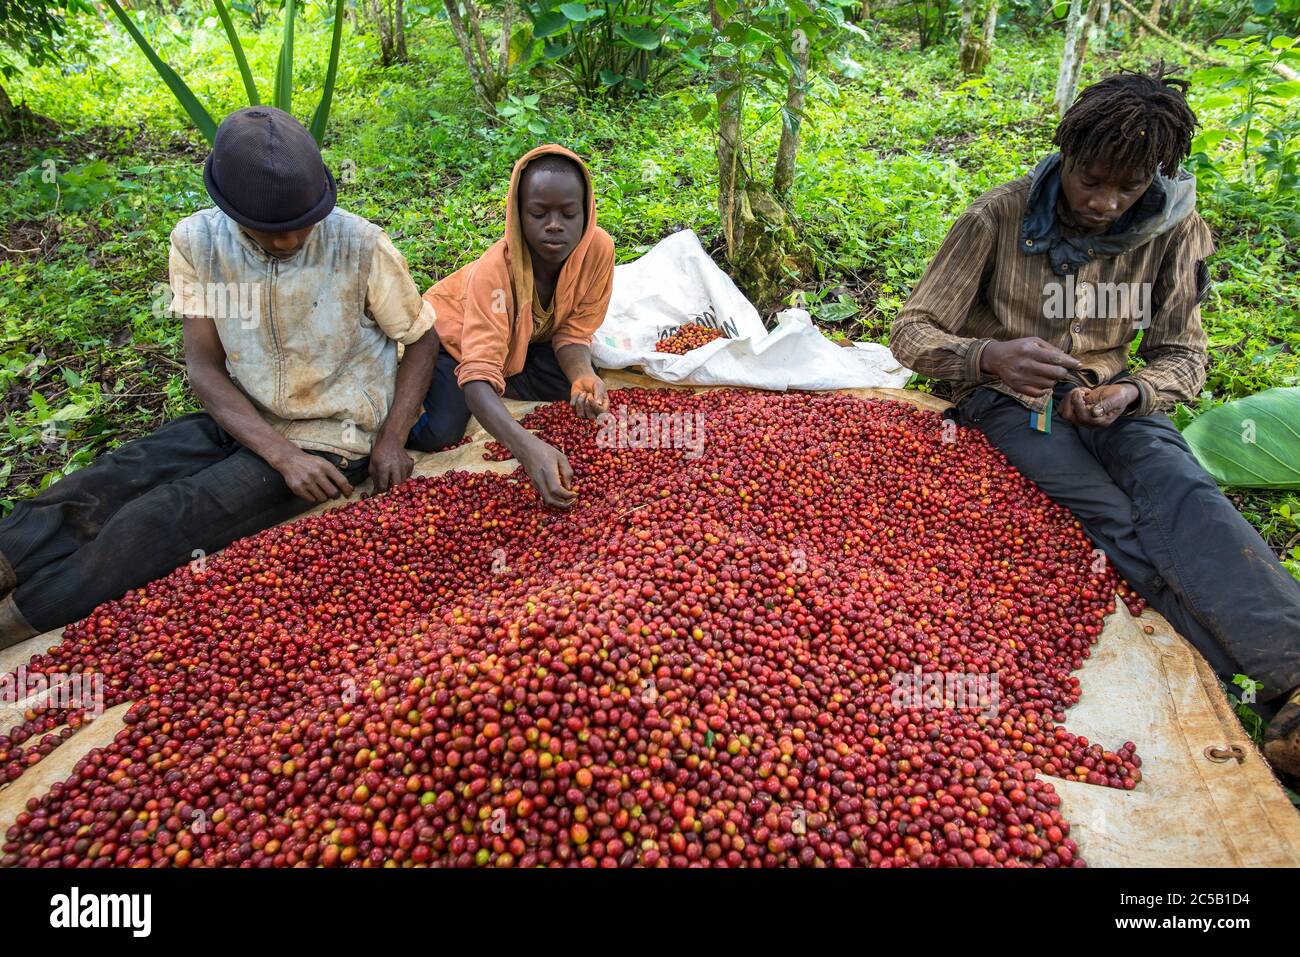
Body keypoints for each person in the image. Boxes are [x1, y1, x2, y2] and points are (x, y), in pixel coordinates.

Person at [889, 68, 1300, 776]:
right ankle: (1259, 687)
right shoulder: (999, 216)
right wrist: (989, 356)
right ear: (1067, 152)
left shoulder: (1176, 230)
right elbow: (911, 330)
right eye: (1092, 180)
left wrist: (1132, 394)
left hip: (1111, 400)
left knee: (1185, 492)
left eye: (1129, 187)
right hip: (1008, 406)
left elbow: (1183, 355)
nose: (1106, 202)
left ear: (1155, 177)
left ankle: (1291, 676)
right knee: (1108, 516)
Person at [0, 107, 440, 648]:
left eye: (300, 225)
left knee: (160, 520)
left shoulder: (360, 244)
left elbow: (421, 339)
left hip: (331, 433)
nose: (285, 241)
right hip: (241, 415)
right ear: (227, 208)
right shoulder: (198, 242)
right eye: (268, 230)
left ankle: (21, 618)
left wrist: (391, 440)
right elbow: (204, 366)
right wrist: (280, 456)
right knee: (107, 481)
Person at [407, 144, 613, 509]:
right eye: (538, 213)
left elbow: (573, 333)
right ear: (518, 215)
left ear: (587, 213)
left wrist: (581, 372)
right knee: (443, 432)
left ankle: (500, 390)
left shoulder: (597, 251)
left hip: (523, 341)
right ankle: (405, 412)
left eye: (568, 213)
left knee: (578, 387)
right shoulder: (494, 273)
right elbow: (477, 372)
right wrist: (526, 448)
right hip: (450, 339)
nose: (554, 225)